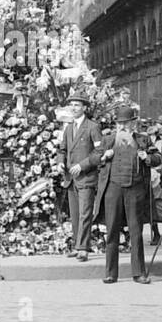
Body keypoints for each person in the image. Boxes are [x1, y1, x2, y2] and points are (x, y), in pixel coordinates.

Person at [95, 106, 160, 284]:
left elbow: (158, 158)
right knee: (112, 230)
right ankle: (110, 273)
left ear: (133, 123)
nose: (123, 127)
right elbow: (94, 158)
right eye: (120, 123)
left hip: (135, 189)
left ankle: (139, 273)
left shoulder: (143, 140)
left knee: (136, 231)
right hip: (113, 189)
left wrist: (146, 157)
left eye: (126, 123)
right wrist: (103, 157)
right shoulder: (108, 140)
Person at [56, 92, 102, 262]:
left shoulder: (92, 127)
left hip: (86, 177)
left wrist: (82, 165)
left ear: (84, 108)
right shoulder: (69, 128)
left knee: (85, 213)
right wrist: (60, 162)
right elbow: (62, 149)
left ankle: (83, 248)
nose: (73, 108)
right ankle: (77, 245)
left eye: (77, 105)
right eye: (72, 105)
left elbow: (99, 152)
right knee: (75, 214)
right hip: (70, 178)